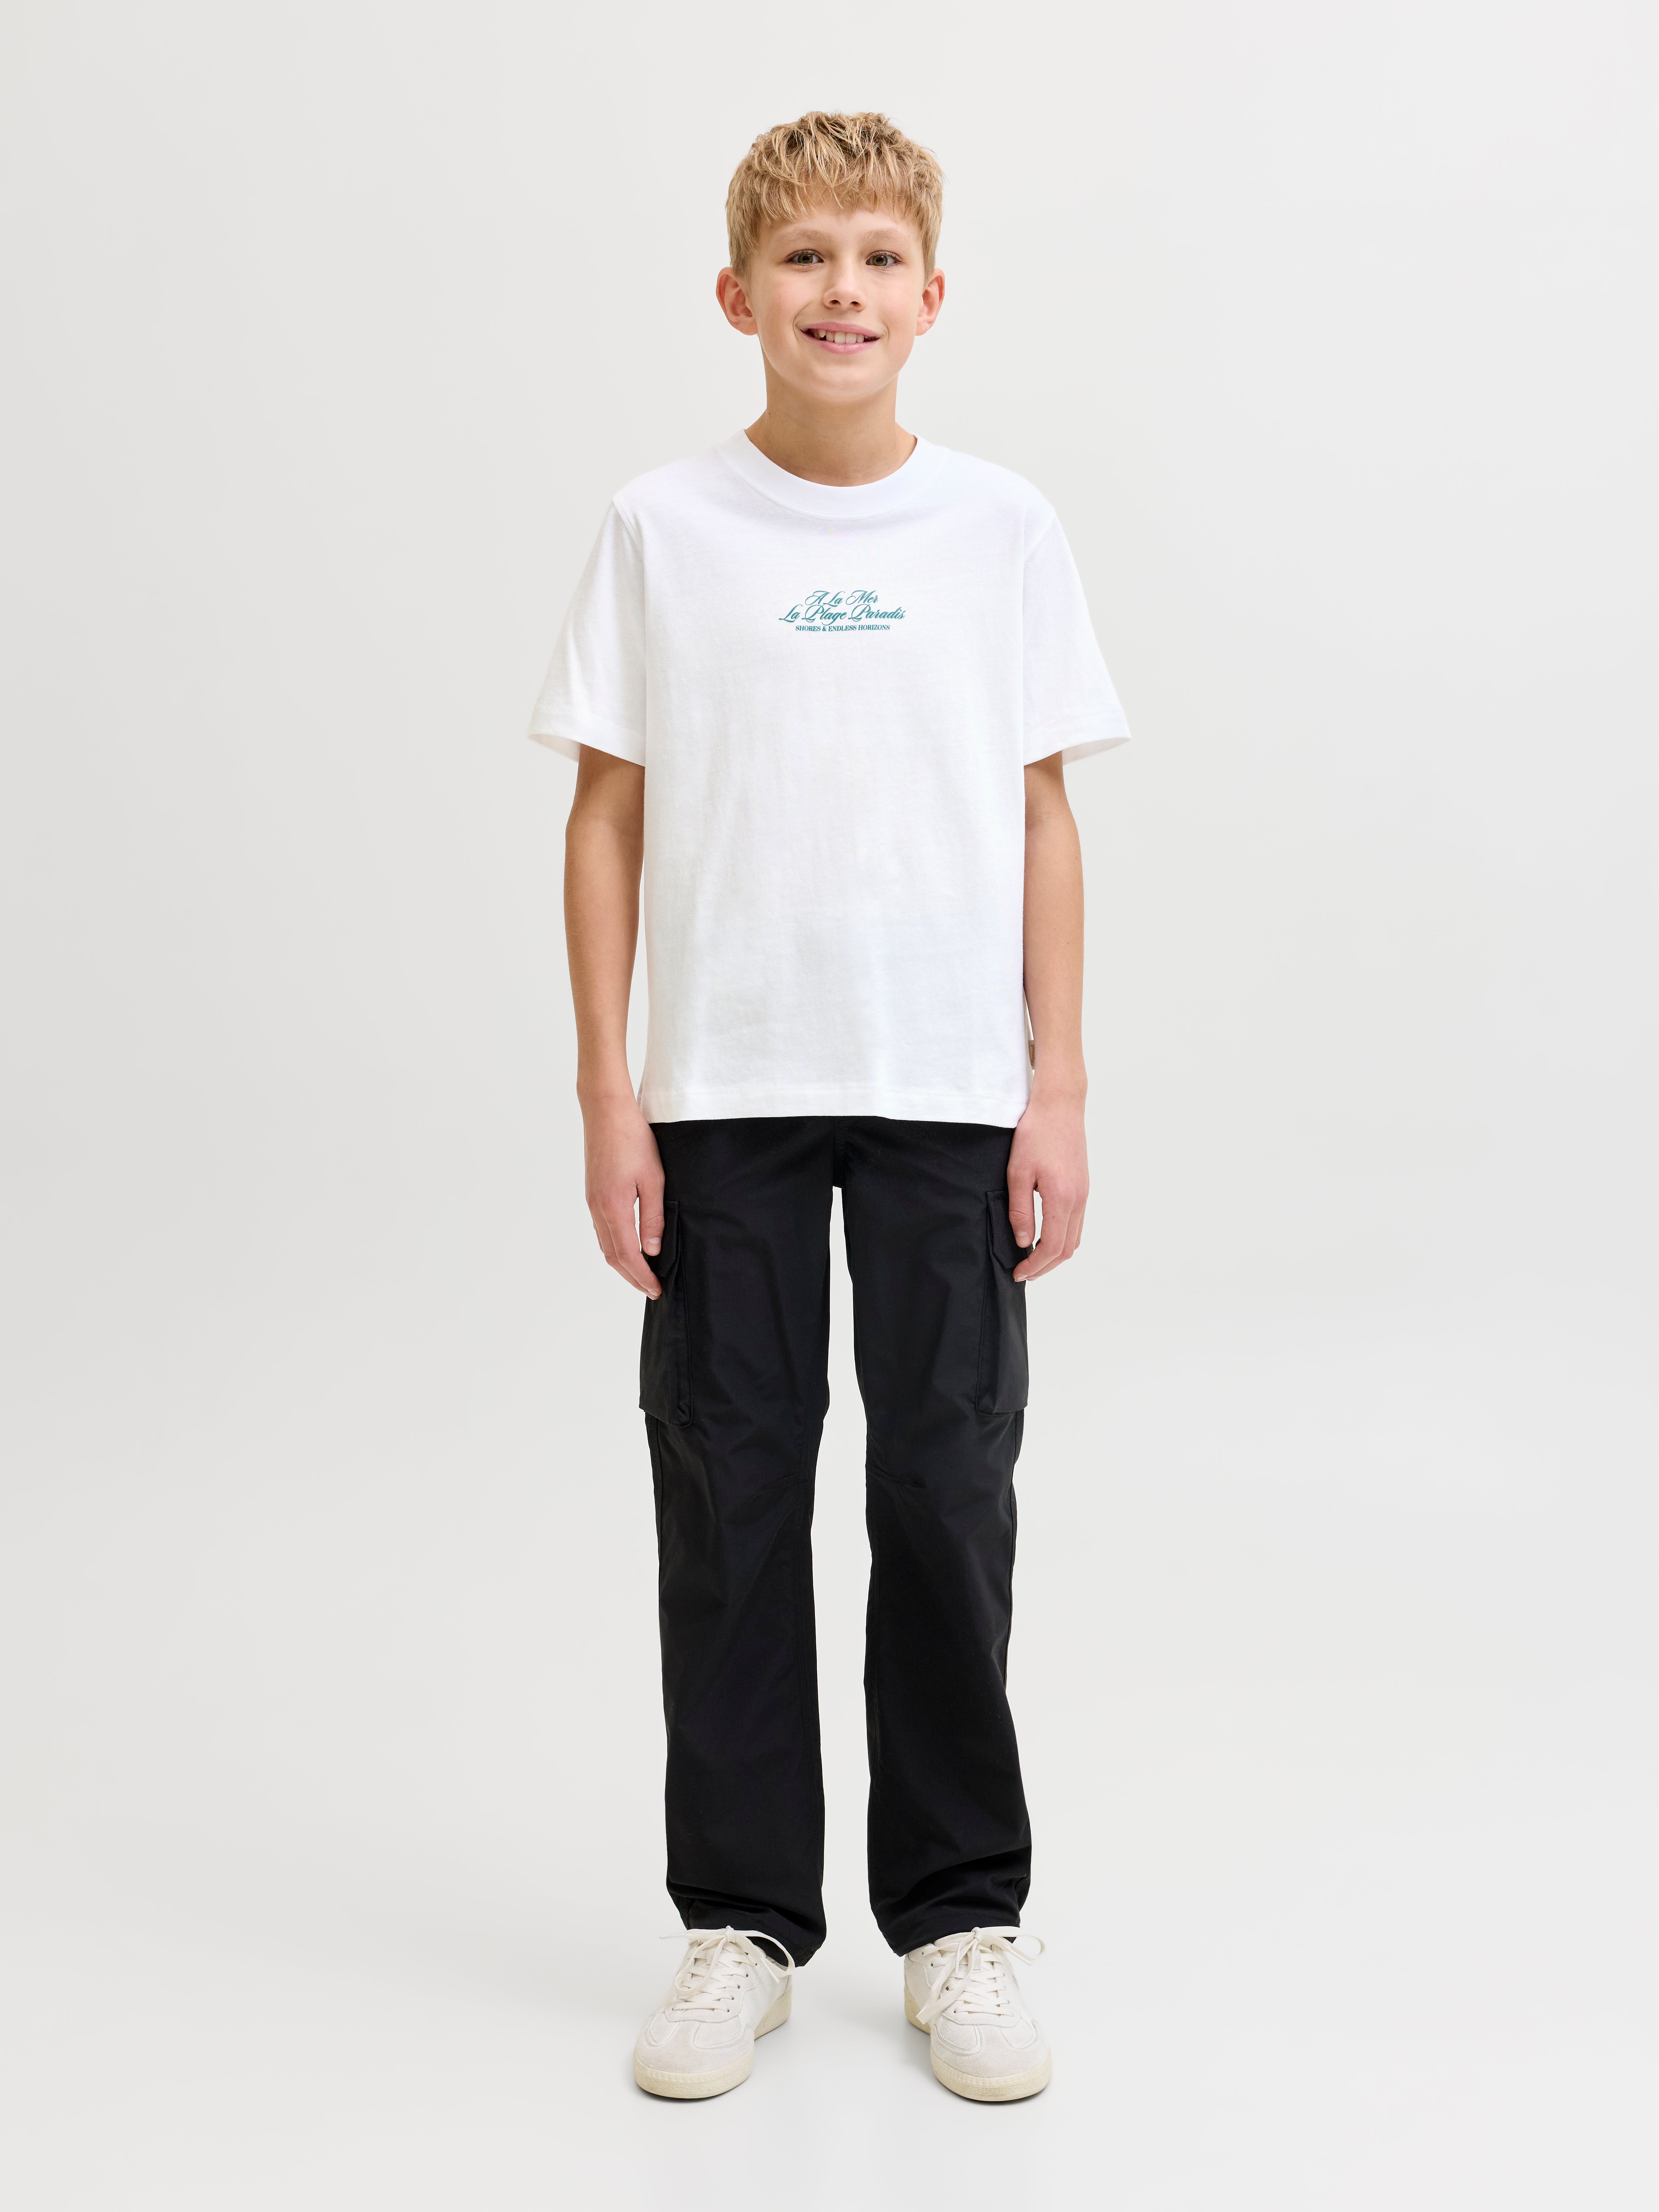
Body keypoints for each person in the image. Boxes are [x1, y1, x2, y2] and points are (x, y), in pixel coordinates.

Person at [532, 111, 1129, 2103]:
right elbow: (603, 816)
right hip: (726, 1089)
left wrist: (1057, 1080)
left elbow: (1043, 814)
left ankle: (958, 1920)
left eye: (877, 259)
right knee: (731, 1489)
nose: (841, 292)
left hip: (949, 1086)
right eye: (804, 260)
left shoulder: (1000, 527)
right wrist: (611, 1092)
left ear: (932, 295)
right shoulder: (663, 526)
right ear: (738, 295)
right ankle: (742, 1924)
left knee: (946, 1489)